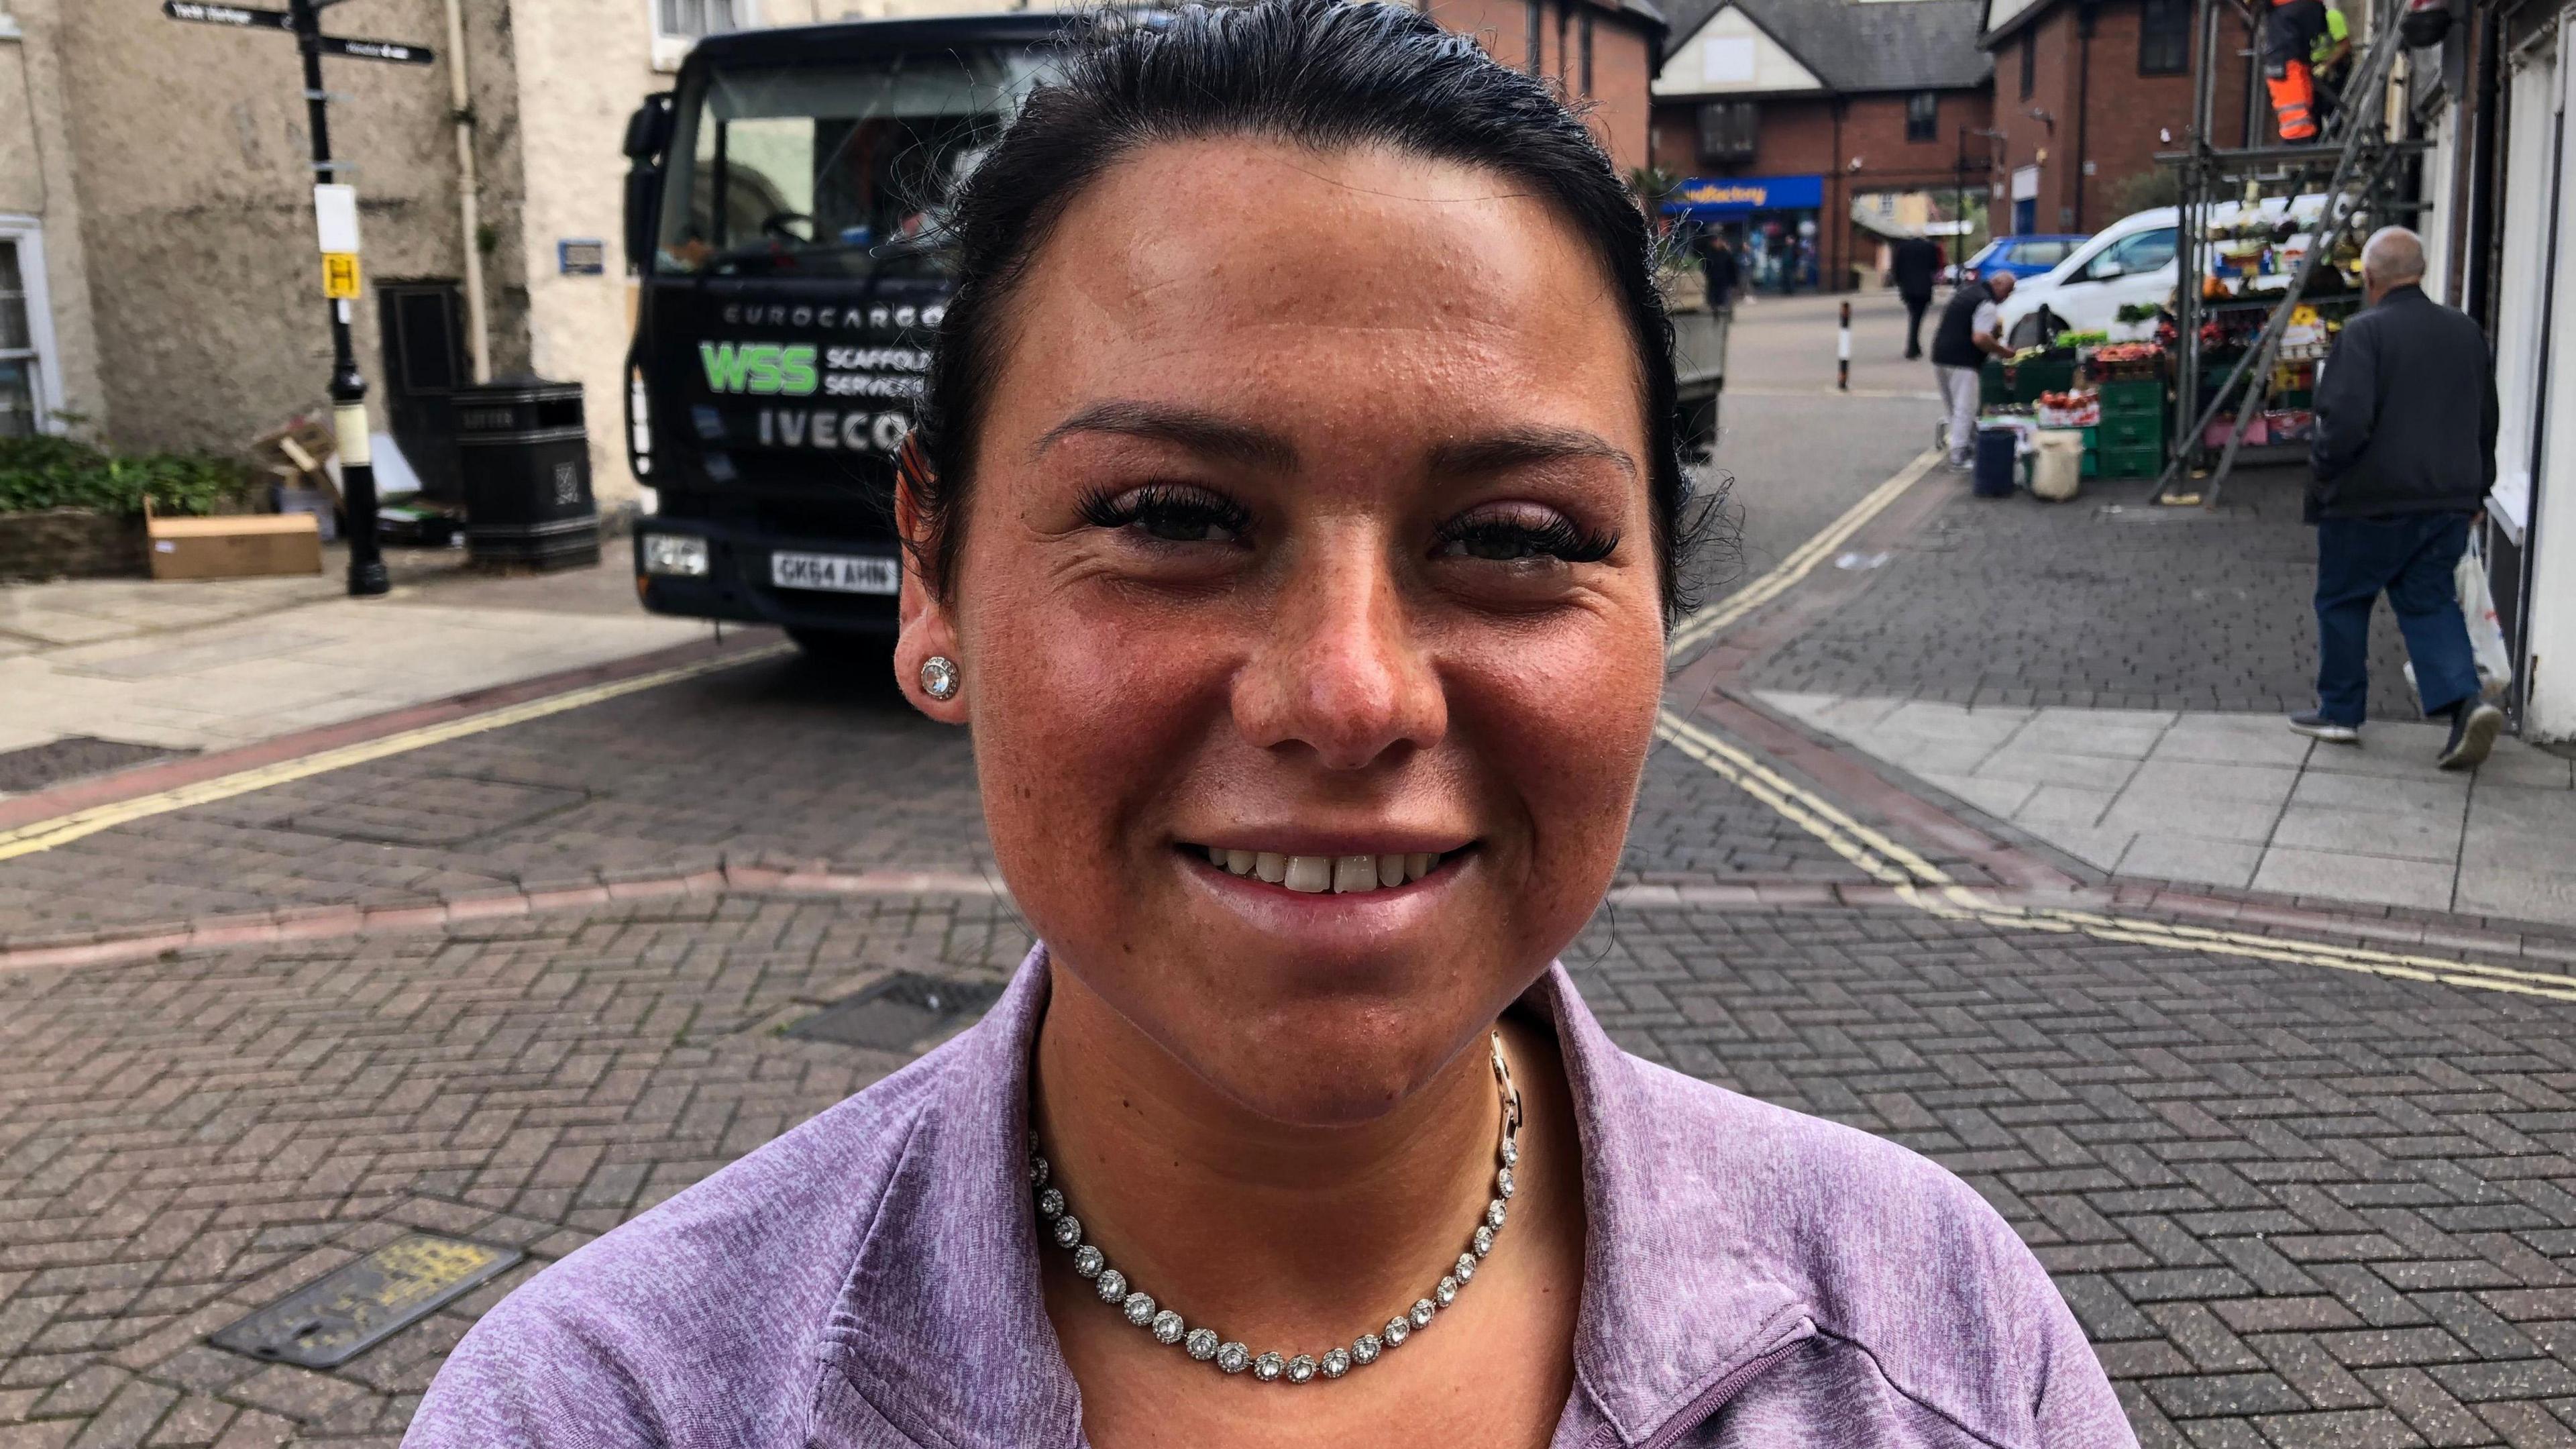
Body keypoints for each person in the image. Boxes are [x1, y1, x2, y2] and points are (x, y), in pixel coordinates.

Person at [402, 5, 2135, 1446]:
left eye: (1518, 540)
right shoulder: (612, 1400)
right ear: (929, 568)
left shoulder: (1932, 1338)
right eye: (1170, 517)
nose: (1351, 694)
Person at [2297, 226, 2505, 769]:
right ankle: (2464, 706)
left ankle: (2340, 710)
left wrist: (2323, 475)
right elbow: (2487, 422)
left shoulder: (2364, 335)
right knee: (2429, 602)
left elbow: (2343, 422)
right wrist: (2478, 489)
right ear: (2423, 272)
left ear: (2369, 279)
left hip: (2367, 500)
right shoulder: (2466, 333)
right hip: (2445, 503)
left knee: (2343, 599)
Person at [1931, 270, 2017, 470]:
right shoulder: (1987, 304)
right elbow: (1980, 338)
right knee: (1965, 408)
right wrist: (2003, 351)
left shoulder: (1968, 293)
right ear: (1998, 285)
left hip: (1941, 355)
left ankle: (1968, 445)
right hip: (1963, 359)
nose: (2008, 296)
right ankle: (1959, 456)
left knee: (1954, 408)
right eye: (2008, 291)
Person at [2265, 0, 2329, 141]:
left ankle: (2297, 132)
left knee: (2283, 68)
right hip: (2309, 8)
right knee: (2298, 64)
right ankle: (2305, 126)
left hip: (2287, 8)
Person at [1890, 234, 1944, 359]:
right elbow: (1935, 266)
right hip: (1924, 288)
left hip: (1908, 288)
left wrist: (1900, 283)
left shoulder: (1902, 248)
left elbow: (1896, 268)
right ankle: (1912, 347)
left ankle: (1914, 346)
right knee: (1917, 317)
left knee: (1914, 316)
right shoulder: (1930, 247)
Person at [1695, 224, 1739, 313]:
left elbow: (1732, 268)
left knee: (1725, 302)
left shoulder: (1726, 254)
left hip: (1725, 282)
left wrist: (1734, 282)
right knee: (1714, 303)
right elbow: (1705, 267)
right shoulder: (1709, 254)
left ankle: (1726, 316)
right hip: (1713, 282)